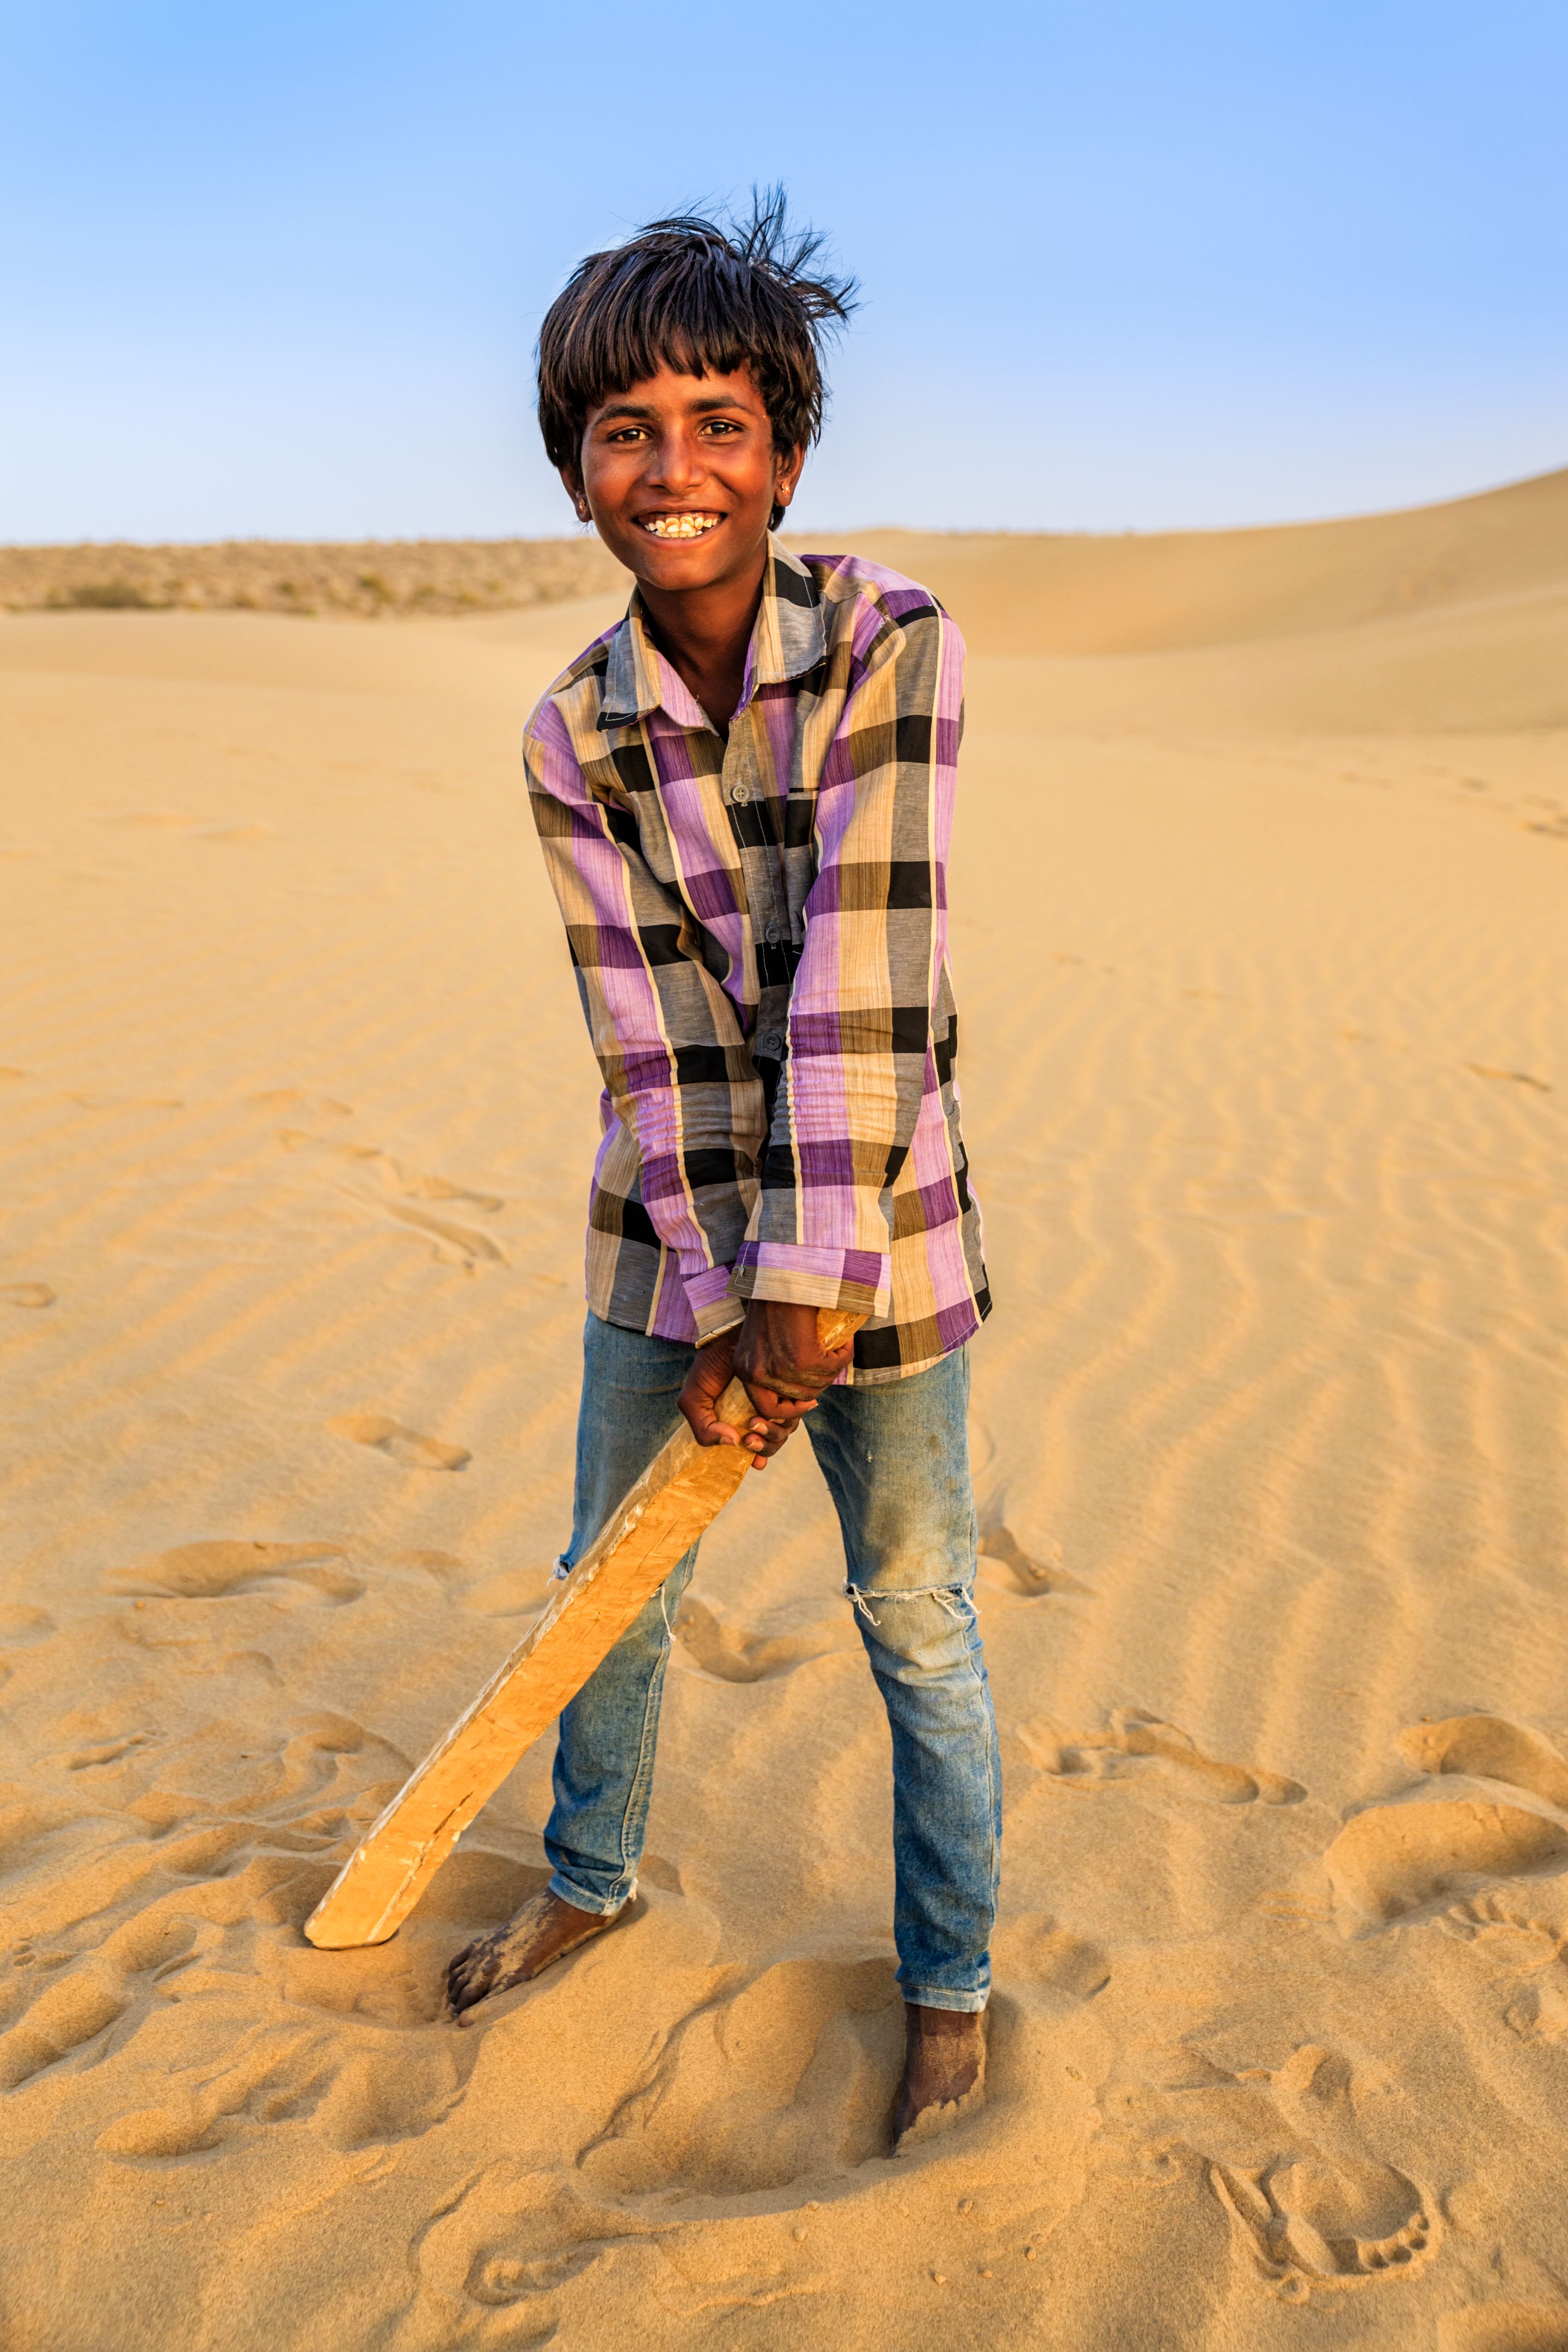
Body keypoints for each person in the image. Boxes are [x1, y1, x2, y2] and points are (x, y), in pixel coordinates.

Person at [445, 194, 998, 2153]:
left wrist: (805, 1291)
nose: (672, 469)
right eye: (625, 432)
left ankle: (950, 1982)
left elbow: (865, 972)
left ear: (782, 448)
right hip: (664, 1239)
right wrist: (717, 1293)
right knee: (611, 1583)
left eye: (716, 422)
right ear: (575, 466)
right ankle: (590, 1881)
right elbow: (653, 1032)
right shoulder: (567, 729)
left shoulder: (888, 641)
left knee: (915, 1609)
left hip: (885, 1241)